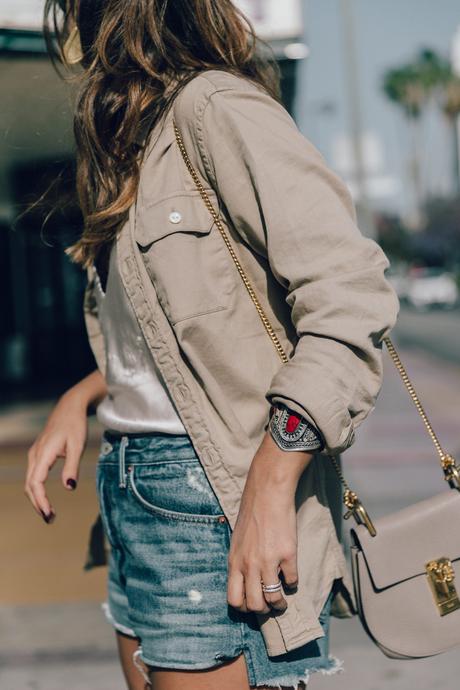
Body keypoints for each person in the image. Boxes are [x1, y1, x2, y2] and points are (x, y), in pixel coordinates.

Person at [25, 1, 400, 689]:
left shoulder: (219, 110)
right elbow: (172, 344)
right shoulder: (131, 144)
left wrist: (271, 480)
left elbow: (351, 297)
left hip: (209, 490)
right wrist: (81, 396)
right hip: (130, 481)